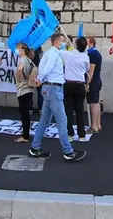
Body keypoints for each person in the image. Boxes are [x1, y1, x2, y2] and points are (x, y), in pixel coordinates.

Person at [29, 33, 86, 162]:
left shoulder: (49, 53)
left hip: (48, 89)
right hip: (55, 89)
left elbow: (42, 67)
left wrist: (40, 80)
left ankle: (35, 147)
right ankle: (68, 151)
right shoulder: (54, 54)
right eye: (63, 40)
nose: (65, 42)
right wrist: (40, 79)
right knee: (62, 120)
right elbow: (46, 69)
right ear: (56, 42)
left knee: (44, 120)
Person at [63, 37, 90, 142]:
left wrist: (66, 46)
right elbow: (87, 69)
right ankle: (81, 134)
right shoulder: (85, 57)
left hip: (69, 84)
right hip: (79, 84)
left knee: (68, 110)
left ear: (76, 45)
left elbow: (61, 53)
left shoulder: (68, 54)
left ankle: (70, 134)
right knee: (79, 110)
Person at [14, 43, 37, 143]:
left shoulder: (22, 60)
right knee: (26, 113)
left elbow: (20, 69)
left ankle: (25, 136)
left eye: (18, 48)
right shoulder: (29, 60)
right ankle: (26, 132)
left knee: (24, 113)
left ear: (22, 50)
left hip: (23, 89)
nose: (17, 50)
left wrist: (19, 78)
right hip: (29, 88)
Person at [86, 37, 103, 133]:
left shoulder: (93, 54)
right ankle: (98, 124)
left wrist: (88, 83)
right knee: (96, 102)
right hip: (96, 80)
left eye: (87, 42)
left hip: (93, 81)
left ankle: (94, 126)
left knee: (93, 103)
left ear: (91, 43)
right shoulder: (96, 53)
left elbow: (91, 70)